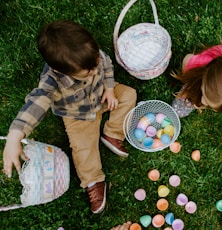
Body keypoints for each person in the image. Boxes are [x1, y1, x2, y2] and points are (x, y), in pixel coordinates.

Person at [2, 20, 137, 214]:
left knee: (129, 95)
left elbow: (106, 64)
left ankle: (112, 134)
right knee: (83, 148)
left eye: (94, 65)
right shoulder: (51, 81)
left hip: (102, 96)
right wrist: (15, 135)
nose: (93, 72)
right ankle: (93, 181)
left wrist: (109, 88)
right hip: (77, 115)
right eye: (88, 73)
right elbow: (36, 104)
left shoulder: (93, 56)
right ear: (59, 70)